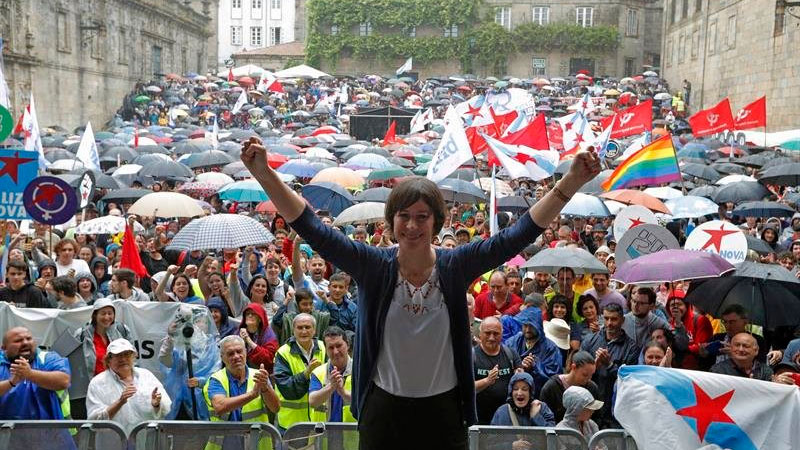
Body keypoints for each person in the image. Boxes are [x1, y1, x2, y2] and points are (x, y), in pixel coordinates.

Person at [240, 135, 600, 448]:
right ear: (391, 220)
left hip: (443, 413)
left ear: (437, 221)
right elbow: (312, 227)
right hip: (383, 411)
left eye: (423, 216)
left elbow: (517, 235)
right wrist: (264, 174)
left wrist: (570, 182)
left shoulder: (456, 265)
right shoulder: (373, 265)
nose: (412, 225)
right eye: (404, 216)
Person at [0, 327, 73, 449]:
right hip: (8, 439)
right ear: (4, 348)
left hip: (51, 438)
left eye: (28, 338)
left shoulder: (48, 358)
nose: (25, 343)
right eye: (18, 340)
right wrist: (11, 382)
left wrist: (29, 374)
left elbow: (64, 381)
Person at [86, 339, 170, 444]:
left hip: (144, 443)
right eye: (118, 355)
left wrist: (156, 405)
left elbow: (166, 408)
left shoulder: (146, 375)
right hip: (113, 444)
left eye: (127, 354)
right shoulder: (97, 383)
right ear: (108, 360)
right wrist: (119, 402)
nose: (123, 359)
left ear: (133, 357)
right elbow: (94, 422)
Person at [203, 335, 280, 450]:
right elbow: (220, 406)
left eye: (239, 351)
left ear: (246, 352)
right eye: (230, 353)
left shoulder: (259, 376)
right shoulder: (216, 380)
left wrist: (265, 388)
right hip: (225, 444)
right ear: (222, 357)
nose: (236, 356)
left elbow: (275, 408)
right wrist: (252, 395)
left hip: (256, 443)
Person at [580, 303, 639, 429]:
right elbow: (578, 372)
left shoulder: (631, 347)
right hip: (592, 403)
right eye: (606, 318)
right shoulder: (590, 341)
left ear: (622, 320)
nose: (609, 323)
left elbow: (629, 379)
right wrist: (593, 366)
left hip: (615, 406)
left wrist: (610, 365)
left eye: (614, 319)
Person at [159, 305, 221, 420]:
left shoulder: (212, 346)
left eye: (204, 322)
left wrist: (200, 382)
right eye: (197, 321)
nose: (200, 325)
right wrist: (170, 337)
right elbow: (165, 360)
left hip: (201, 400)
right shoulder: (179, 341)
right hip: (178, 398)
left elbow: (216, 372)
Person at [273, 313, 326, 432]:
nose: (304, 331)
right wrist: (306, 374)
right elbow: (286, 387)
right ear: (293, 330)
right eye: (300, 327)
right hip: (291, 423)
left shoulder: (325, 347)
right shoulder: (283, 353)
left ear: (314, 330)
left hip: (320, 420)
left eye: (307, 327)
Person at [473, 317, 522, 424]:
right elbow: (465, 388)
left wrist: (519, 377)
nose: (491, 338)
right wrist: (487, 381)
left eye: (496, 334)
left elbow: (522, 384)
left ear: (501, 335)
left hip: (506, 418)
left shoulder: (511, 354)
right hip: (479, 419)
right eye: (487, 333)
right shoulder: (471, 356)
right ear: (480, 334)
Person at [505, 308, 563, 397]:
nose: (528, 329)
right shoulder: (513, 342)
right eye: (525, 325)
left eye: (531, 326)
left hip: (539, 394)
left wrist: (535, 366)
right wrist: (518, 366)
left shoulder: (550, 348)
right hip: (514, 392)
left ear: (538, 326)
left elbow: (554, 376)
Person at [309, 326, 356, 423]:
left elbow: (367, 403)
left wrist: (343, 392)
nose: (335, 352)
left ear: (347, 345)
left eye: (339, 346)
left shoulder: (360, 371)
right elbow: (312, 402)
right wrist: (331, 387)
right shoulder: (318, 373)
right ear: (326, 350)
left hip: (352, 435)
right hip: (324, 436)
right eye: (331, 347)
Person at [539, 350, 599, 423]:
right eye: (585, 375)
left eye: (591, 375)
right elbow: (544, 416)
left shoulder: (592, 388)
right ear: (573, 367)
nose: (588, 379)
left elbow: (597, 416)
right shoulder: (552, 387)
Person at [490, 372, 555, 428]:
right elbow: (492, 440)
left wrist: (536, 416)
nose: (519, 393)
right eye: (515, 389)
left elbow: (552, 437)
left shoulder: (542, 408)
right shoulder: (502, 412)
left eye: (524, 389)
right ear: (511, 392)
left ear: (530, 392)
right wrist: (511, 443)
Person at [666, 291, 712, 370]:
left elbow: (703, 347)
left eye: (679, 304)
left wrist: (685, 348)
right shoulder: (669, 323)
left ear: (686, 305)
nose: (676, 308)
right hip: (676, 368)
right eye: (672, 305)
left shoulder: (700, 320)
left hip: (696, 369)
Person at [239, 303, 279, 372]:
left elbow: (270, 359)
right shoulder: (239, 333)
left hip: (264, 372)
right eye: (247, 314)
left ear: (260, 319)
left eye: (253, 314)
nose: (250, 315)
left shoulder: (268, 335)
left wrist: (249, 341)